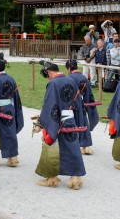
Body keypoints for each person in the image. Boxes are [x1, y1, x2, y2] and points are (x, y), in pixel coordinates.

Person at [35, 61, 86, 190]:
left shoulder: (53, 83)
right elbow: (78, 104)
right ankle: (75, 178)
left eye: (47, 75)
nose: (48, 78)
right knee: (73, 147)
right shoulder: (71, 81)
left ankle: (51, 178)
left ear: (50, 72)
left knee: (51, 148)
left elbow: (49, 105)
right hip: (70, 119)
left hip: (57, 121)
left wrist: (43, 123)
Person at [0, 52, 24, 167]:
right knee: (10, 132)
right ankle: (13, 157)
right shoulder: (11, 79)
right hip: (10, 108)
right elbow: (16, 97)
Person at [66, 60, 99, 155]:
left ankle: (73, 144)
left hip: (72, 106)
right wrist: (89, 105)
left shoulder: (68, 78)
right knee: (84, 123)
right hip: (82, 104)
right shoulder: (84, 78)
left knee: (72, 124)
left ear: (69, 68)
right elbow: (89, 94)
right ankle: (86, 146)